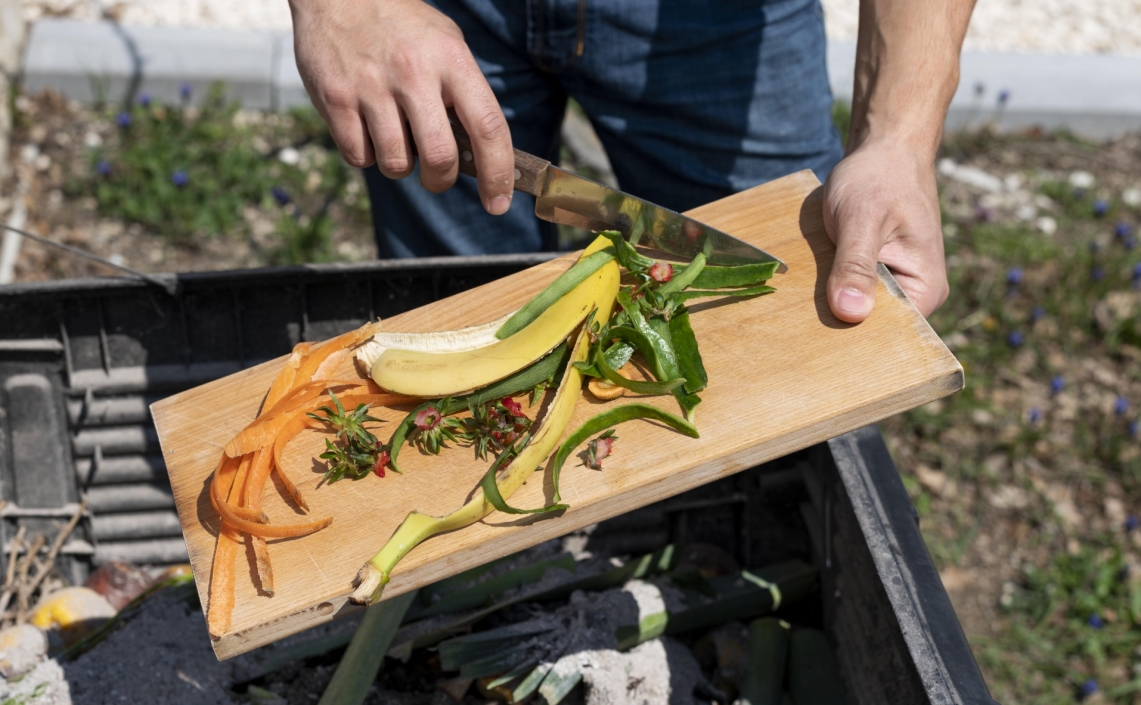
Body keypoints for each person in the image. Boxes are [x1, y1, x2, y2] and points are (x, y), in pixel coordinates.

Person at [288, 0, 975, 324]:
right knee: (454, 317)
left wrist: (899, 137)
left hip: (716, 24)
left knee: (800, 311)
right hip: (418, 16)